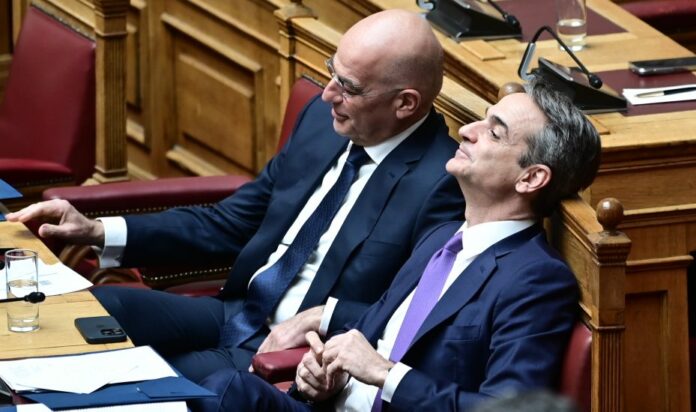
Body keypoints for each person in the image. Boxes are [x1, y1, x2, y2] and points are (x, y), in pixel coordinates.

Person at [6, 9, 464, 383]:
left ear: (405, 103)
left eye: (349, 87)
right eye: (332, 72)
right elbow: (231, 222)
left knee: (127, 381)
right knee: (82, 313)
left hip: (290, 354)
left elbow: (414, 314)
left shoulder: (442, 184)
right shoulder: (324, 125)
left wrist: (323, 318)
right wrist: (95, 230)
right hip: (233, 311)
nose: (328, 94)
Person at [190, 76, 602, 412]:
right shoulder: (441, 238)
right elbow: (379, 331)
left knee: (224, 394)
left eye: (494, 133)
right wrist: (324, 377)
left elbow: (505, 409)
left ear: (531, 178)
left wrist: (385, 374)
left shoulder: (536, 279)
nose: (466, 130)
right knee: (227, 389)